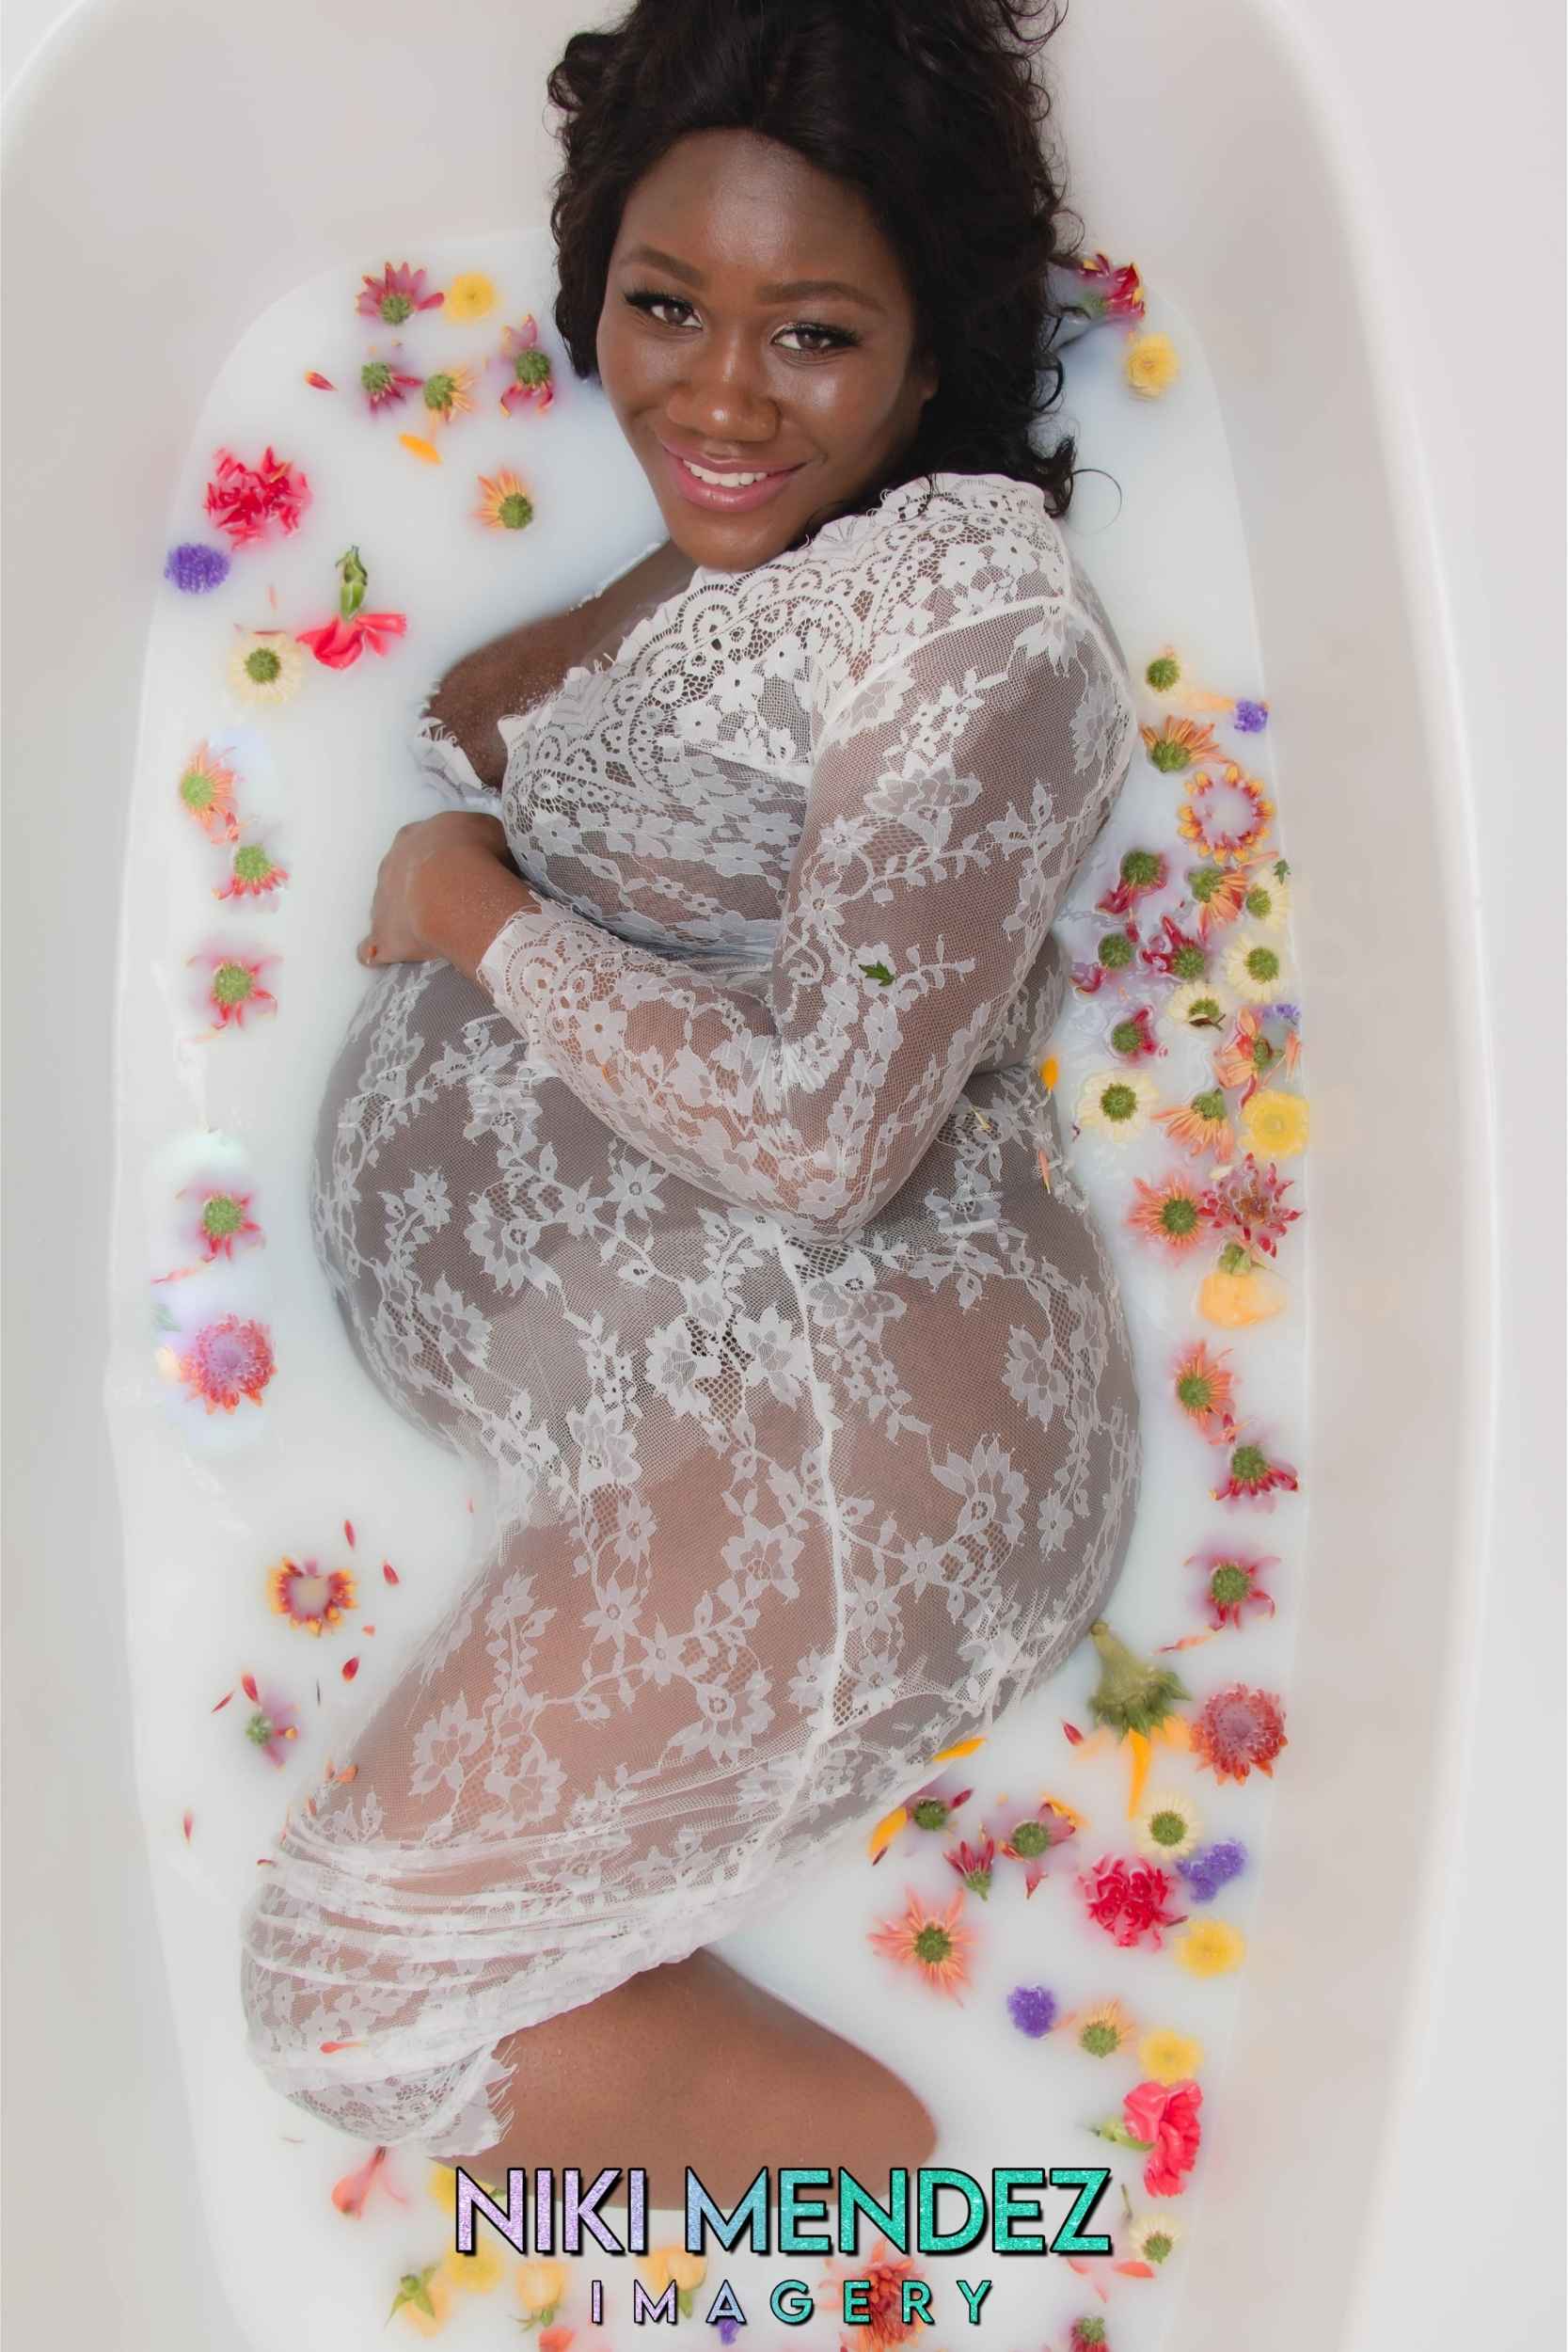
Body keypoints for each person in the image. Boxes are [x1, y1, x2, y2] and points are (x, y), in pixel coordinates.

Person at [239, 0, 1143, 2210]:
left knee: (343, 2004)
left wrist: (466, 909)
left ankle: (944, 2189)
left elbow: (830, 1138)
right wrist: (685, 553)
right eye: (664, 309)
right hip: (668, 1383)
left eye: (813, 334)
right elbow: (491, 707)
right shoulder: (790, 543)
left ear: (930, 351)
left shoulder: (981, 629)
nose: (721, 396)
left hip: (844, 1431)